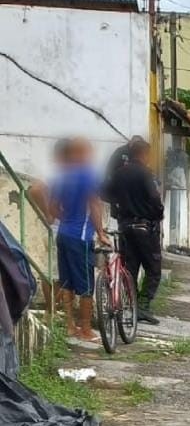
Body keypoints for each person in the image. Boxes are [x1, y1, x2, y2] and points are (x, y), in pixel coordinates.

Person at [49, 138, 109, 341]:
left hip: (63, 234)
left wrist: (64, 219)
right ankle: (85, 330)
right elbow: (94, 204)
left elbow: (53, 207)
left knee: (66, 282)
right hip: (81, 237)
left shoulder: (62, 176)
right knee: (86, 286)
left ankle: (70, 326)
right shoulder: (88, 175)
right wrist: (100, 232)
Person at [105, 137, 164, 324]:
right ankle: (143, 306)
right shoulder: (146, 175)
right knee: (153, 269)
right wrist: (158, 213)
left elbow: (104, 192)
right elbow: (155, 200)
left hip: (125, 226)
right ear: (143, 154)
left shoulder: (119, 173)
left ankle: (132, 304)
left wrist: (119, 203)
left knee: (130, 268)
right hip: (145, 227)